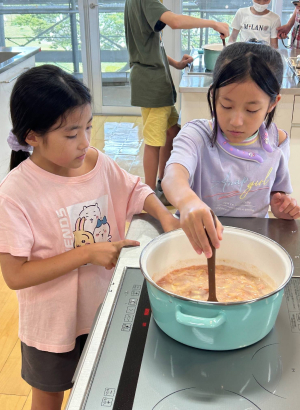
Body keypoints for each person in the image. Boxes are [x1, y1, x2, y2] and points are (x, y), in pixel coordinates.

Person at [0, 65, 179, 410]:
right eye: (71, 134)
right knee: (49, 396)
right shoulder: (15, 193)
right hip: (51, 324)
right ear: (33, 136)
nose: (85, 142)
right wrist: (87, 254)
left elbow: (136, 190)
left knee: (101, 385)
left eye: (88, 127)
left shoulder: (95, 163)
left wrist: (166, 217)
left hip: (102, 307)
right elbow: (15, 275)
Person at [162, 41, 300, 260]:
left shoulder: (277, 141)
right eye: (226, 105)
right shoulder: (196, 135)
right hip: (197, 244)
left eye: (252, 109)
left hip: (252, 244)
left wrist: (280, 205)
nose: (236, 121)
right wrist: (187, 201)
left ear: (273, 104)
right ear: (213, 95)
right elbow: (173, 176)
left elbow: (276, 192)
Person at [124, 0, 229, 203]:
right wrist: (213, 24)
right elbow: (175, 21)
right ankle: (149, 194)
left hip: (154, 79)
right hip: (151, 82)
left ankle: (164, 182)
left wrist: (177, 64)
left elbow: (152, 46)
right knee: (154, 141)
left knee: (172, 131)